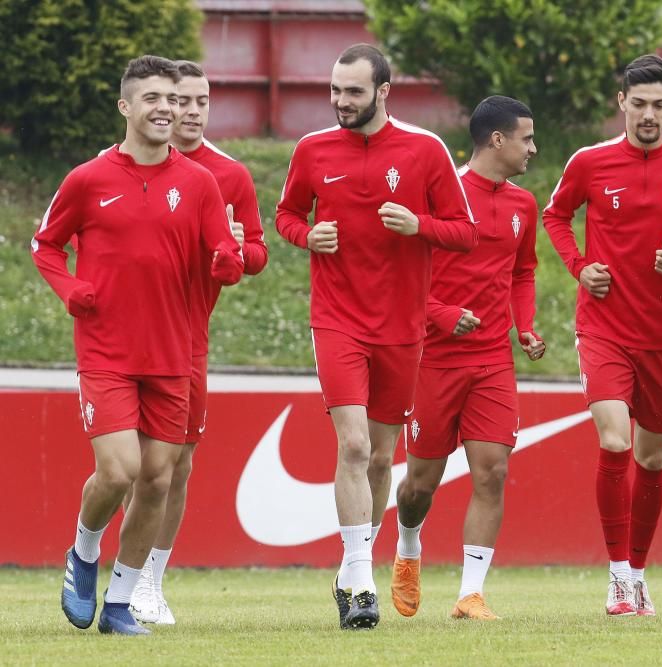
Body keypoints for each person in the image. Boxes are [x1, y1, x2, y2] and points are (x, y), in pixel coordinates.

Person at [31, 55, 243, 635]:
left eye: (172, 101)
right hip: (107, 351)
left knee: (158, 478)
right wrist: (71, 287)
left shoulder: (199, 183)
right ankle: (83, 551)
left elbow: (224, 253)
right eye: (152, 98)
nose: (165, 109)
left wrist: (228, 262)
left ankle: (121, 604)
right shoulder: (88, 178)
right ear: (126, 106)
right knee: (121, 470)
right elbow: (45, 245)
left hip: (174, 353)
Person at [275, 43, 477, 630]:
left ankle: (349, 567)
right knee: (355, 446)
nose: (341, 102)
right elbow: (286, 215)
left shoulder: (425, 150)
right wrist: (306, 236)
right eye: (335, 91)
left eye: (354, 92)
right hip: (337, 320)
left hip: (401, 327)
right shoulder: (312, 150)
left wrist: (420, 226)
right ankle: (362, 580)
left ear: (384, 91)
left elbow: (465, 232)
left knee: (382, 457)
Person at [543, 54, 662, 616]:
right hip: (604, 326)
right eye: (638, 104)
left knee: (654, 457)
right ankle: (617, 578)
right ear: (621, 103)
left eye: (658, 105)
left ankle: (639, 573)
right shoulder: (590, 162)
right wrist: (579, 266)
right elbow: (555, 216)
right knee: (615, 440)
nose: (648, 115)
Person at [390, 95, 545, 622]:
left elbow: (522, 272)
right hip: (432, 360)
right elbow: (400, 277)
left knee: (492, 472)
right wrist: (438, 314)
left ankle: (470, 594)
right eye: (526, 138)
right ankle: (408, 542)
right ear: (497, 140)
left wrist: (524, 327)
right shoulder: (441, 194)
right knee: (419, 485)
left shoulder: (524, 204)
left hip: (493, 361)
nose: (533, 147)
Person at [128, 60, 269, 625]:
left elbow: (257, 254)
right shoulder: (135, 163)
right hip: (131, 335)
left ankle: (148, 582)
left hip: (189, 339)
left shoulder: (228, 175)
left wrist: (236, 245)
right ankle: (111, 565)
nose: (189, 112)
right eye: (180, 101)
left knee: (177, 465)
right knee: (133, 466)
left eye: (200, 102)